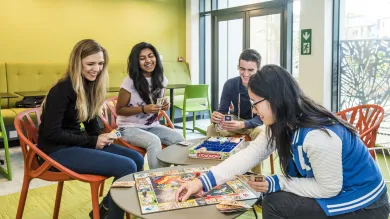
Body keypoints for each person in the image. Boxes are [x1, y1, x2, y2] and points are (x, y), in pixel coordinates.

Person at [176, 65, 390, 219]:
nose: (253, 110)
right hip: (342, 192)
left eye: (255, 103)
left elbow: (328, 189)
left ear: (275, 99)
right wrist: (200, 182)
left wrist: (278, 182)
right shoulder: (282, 122)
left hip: (365, 204)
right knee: (272, 197)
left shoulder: (318, 137)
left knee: (274, 201)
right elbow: (248, 155)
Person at [38, 39, 144, 219]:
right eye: (90, 64)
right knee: (127, 166)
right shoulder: (62, 89)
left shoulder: (89, 86)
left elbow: (90, 124)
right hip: (55, 152)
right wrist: (93, 141)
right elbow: (51, 133)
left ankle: (105, 209)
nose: (97, 68)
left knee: (136, 159)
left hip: (75, 144)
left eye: (101, 63)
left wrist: (102, 136)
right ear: (77, 63)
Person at [116, 42, 184, 169]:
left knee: (179, 139)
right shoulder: (129, 81)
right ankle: (156, 178)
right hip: (127, 128)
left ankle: (166, 174)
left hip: (151, 125)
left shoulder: (161, 79)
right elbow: (119, 110)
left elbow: (158, 102)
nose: (148, 61)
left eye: (151, 56)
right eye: (142, 58)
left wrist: (164, 104)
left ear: (156, 58)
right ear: (136, 62)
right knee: (154, 141)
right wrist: (143, 109)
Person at [207, 49, 263, 141]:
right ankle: (212, 154)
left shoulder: (264, 86)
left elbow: (264, 118)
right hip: (236, 121)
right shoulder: (230, 84)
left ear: (258, 69)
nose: (245, 74)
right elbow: (222, 111)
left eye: (250, 70)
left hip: (257, 123)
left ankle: (255, 156)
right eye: (242, 69)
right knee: (211, 129)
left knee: (261, 133)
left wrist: (243, 124)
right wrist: (216, 117)